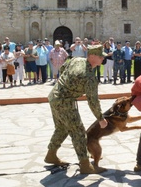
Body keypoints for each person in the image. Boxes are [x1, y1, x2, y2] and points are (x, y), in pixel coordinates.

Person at [44, 44, 108, 174]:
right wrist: (101, 118)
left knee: (61, 128)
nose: (103, 58)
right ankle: (85, 165)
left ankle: (51, 155)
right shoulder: (89, 77)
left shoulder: (76, 59)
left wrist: (68, 86)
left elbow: (62, 69)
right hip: (65, 102)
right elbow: (93, 101)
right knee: (78, 132)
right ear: (92, 56)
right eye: (100, 56)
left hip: (54, 96)